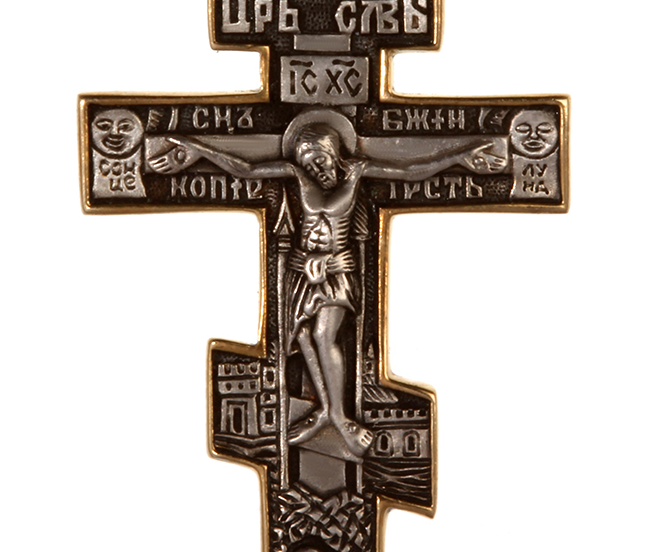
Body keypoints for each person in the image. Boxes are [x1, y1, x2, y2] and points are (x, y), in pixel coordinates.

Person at [148, 110, 505, 459]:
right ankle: (325, 411)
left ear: (333, 153)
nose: (313, 168)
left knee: (324, 335)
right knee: (302, 336)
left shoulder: (358, 170)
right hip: (303, 271)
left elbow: (411, 171)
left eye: (318, 159)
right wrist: (197, 149)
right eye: (306, 162)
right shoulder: (297, 176)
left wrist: (460, 157)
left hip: (336, 272)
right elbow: (247, 169)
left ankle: (339, 415)